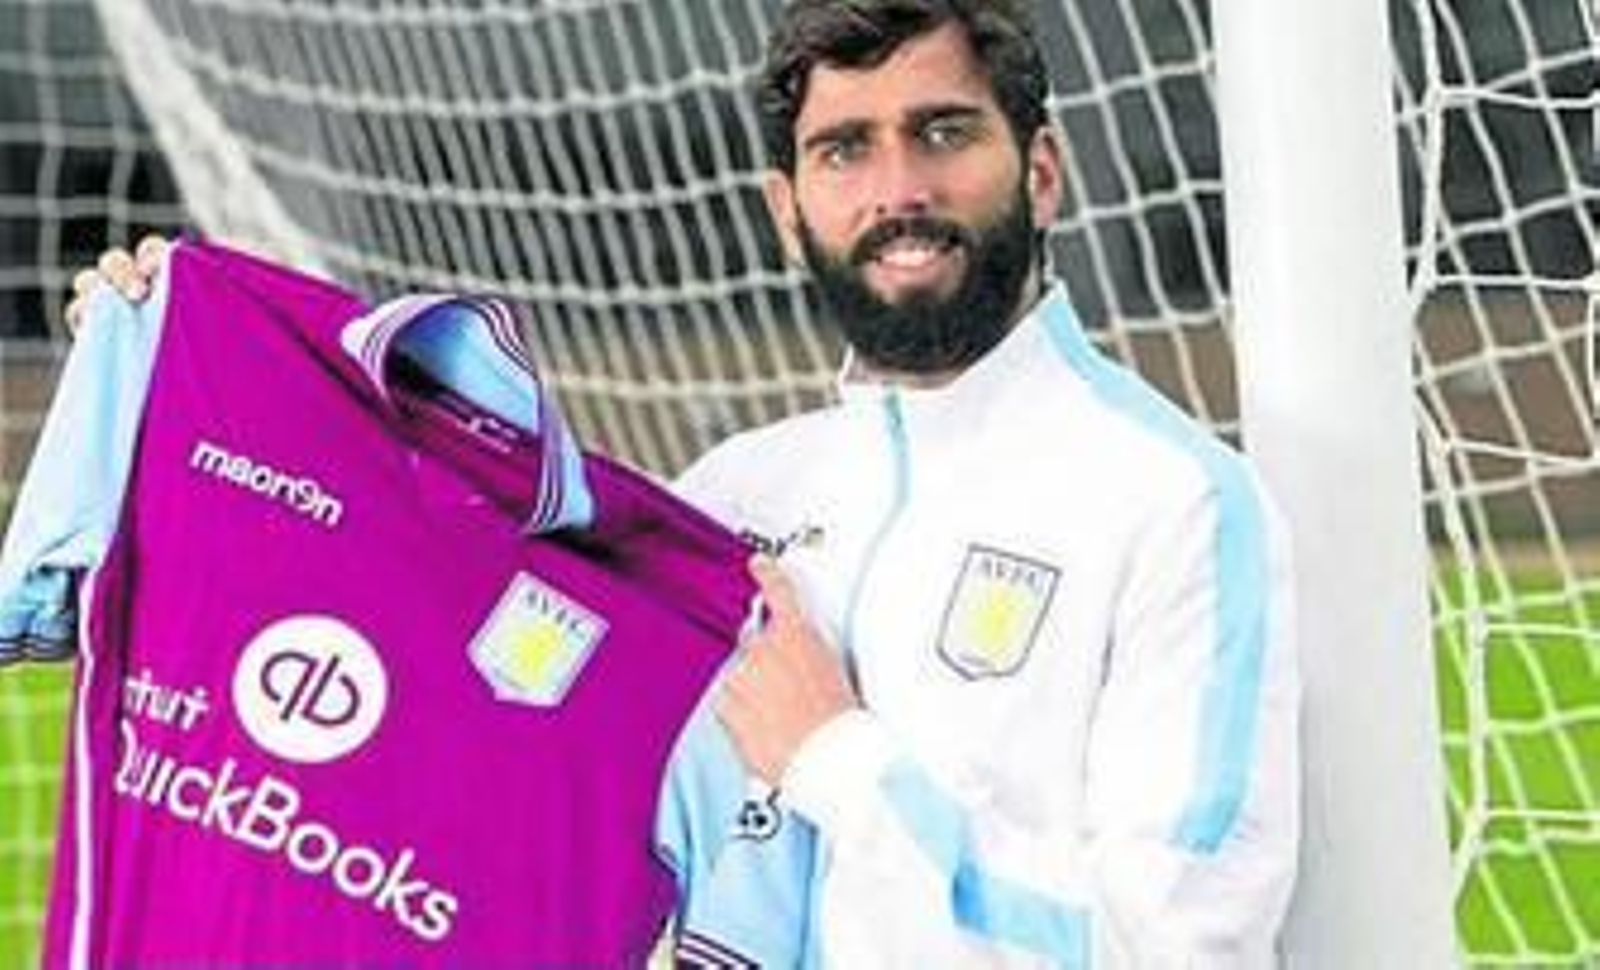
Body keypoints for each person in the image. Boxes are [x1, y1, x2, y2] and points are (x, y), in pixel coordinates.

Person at [67, 1, 1300, 965]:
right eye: (843, 150)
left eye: (942, 132)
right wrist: (166, 391)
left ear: (1040, 171)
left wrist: (837, 758)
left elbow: (1179, 945)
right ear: (786, 207)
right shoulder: (729, 496)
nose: (897, 191)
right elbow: (439, 680)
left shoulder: (1173, 502)